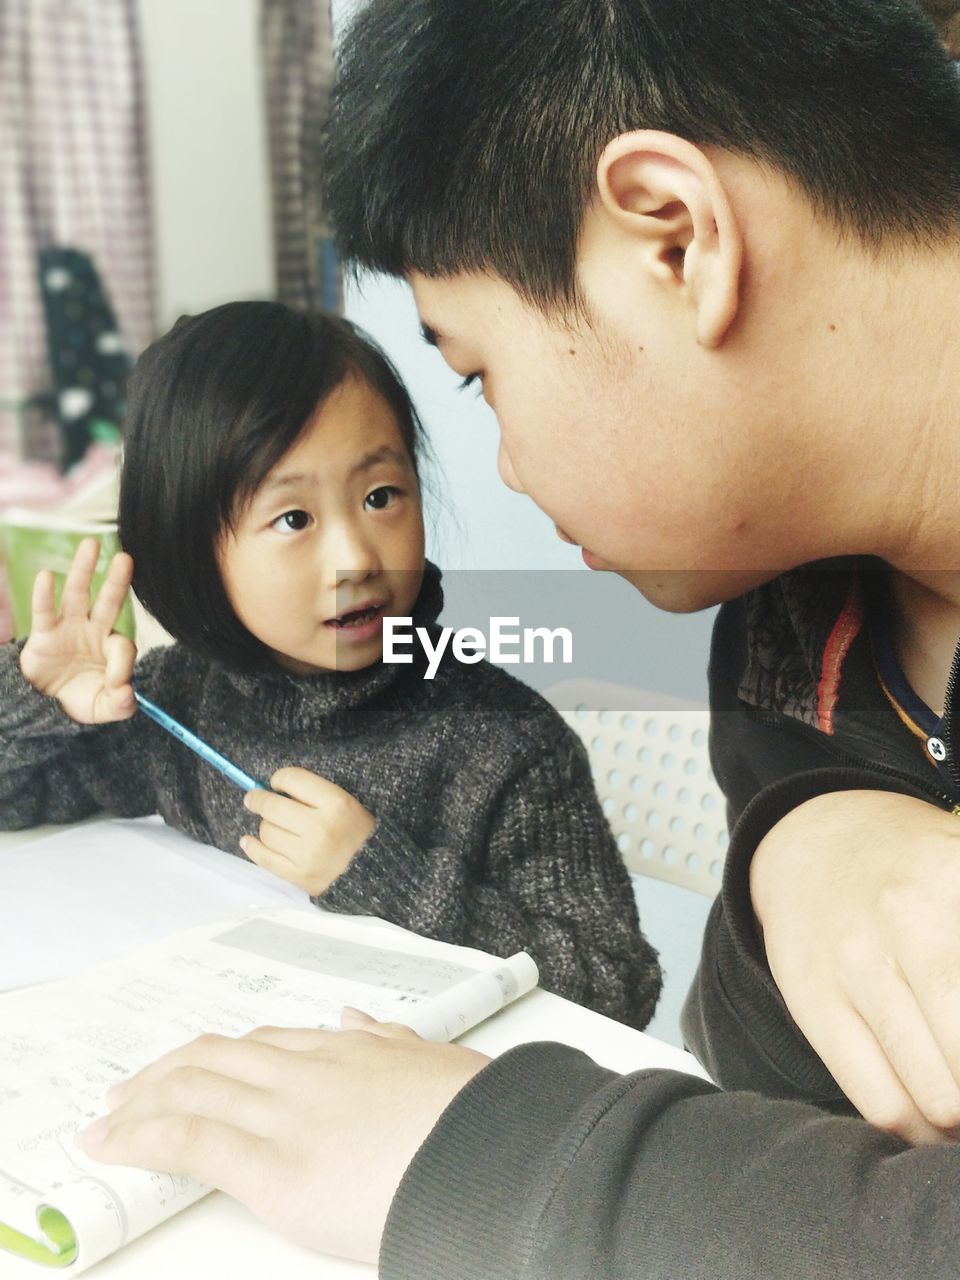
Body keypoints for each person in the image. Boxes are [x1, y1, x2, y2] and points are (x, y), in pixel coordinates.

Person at [76, 1, 960, 1275]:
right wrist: (802, 828)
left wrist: (498, 1160)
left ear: (673, 236)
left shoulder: (491, 720)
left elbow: (615, 983)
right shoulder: (780, 597)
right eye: (282, 516)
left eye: (478, 370)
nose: (507, 464)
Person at [0, 300, 661, 1029]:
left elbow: (615, 986)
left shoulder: (499, 740)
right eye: (294, 519)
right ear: (190, 546)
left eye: (381, 497)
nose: (355, 558)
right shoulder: (182, 702)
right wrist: (40, 702)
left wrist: (381, 874)